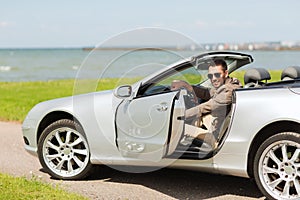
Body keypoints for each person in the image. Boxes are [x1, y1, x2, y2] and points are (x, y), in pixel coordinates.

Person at [171, 59, 242, 148]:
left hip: (215, 137)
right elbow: (208, 93)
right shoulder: (230, 83)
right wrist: (187, 86)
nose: (213, 79)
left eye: (217, 75)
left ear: (226, 73)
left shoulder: (228, 91)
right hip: (218, 123)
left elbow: (203, 108)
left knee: (179, 128)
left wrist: (177, 116)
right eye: (210, 76)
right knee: (197, 119)